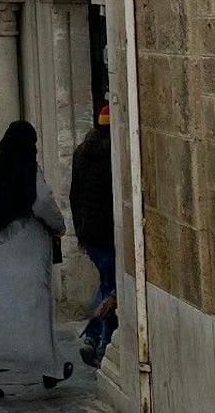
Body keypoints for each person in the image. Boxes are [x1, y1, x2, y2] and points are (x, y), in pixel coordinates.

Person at [0, 119, 73, 399]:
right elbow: (42, 201)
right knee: (34, 308)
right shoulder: (28, 168)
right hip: (27, 250)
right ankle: (49, 370)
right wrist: (59, 225)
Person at [70, 103, 117, 368]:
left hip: (90, 235)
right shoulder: (112, 156)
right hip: (109, 236)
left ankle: (92, 335)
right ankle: (102, 345)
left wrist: (80, 232)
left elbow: (74, 195)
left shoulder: (80, 154)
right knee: (113, 291)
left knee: (107, 285)